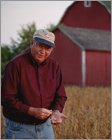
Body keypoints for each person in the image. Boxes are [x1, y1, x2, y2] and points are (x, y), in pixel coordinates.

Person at [1, 29, 67, 139]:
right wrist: (32, 111)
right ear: (32, 43)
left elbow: (60, 95)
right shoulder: (15, 65)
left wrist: (56, 111)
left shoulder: (54, 66)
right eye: (40, 46)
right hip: (19, 128)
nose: (43, 51)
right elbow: (7, 99)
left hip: (46, 128)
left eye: (48, 48)